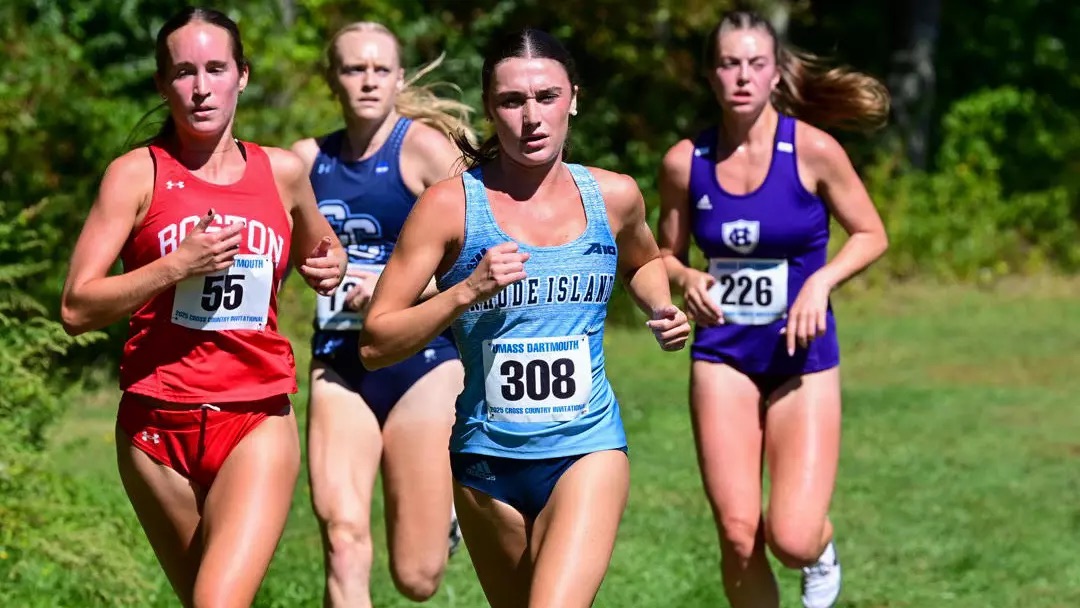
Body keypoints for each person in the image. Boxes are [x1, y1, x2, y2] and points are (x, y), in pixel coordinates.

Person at [358, 27, 691, 608]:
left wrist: (662, 308)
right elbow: (376, 341)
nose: (531, 117)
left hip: (587, 447)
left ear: (574, 100)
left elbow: (643, 259)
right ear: (491, 108)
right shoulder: (449, 206)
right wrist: (465, 292)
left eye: (547, 97)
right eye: (512, 101)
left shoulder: (613, 196)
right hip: (487, 459)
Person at [59, 7, 346, 607]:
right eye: (184, 72)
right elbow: (77, 305)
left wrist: (330, 265)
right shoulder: (136, 176)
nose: (200, 87)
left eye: (216, 68)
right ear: (164, 85)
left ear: (241, 75)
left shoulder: (284, 172)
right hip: (154, 426)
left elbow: (322, 248)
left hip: (254, 413)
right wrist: (175, 266)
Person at [656, 9, 890, 608]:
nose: (742, 76)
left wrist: (822, 283)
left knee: (790, 536)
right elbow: (665, 254)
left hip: (801, 356)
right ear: (711, 74)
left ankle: (821, 549)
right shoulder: (687, 161)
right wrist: (686, 279)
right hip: (722, 354)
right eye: (729, 63)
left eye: (755, 64)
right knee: (738, 535)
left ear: (775, 74)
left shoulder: (813, 150)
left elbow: (870, 233)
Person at [289, 21, 474, 607]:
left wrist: (394, 292)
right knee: (342, 537)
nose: (367, 81)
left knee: (416, 580)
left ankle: (448, 510)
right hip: (339, 362)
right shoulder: (305, 162)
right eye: (352, 68)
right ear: (331, 80)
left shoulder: (422, 150)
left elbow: (480, 257)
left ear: (398, 78)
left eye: (379, 69)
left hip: (424, 363)